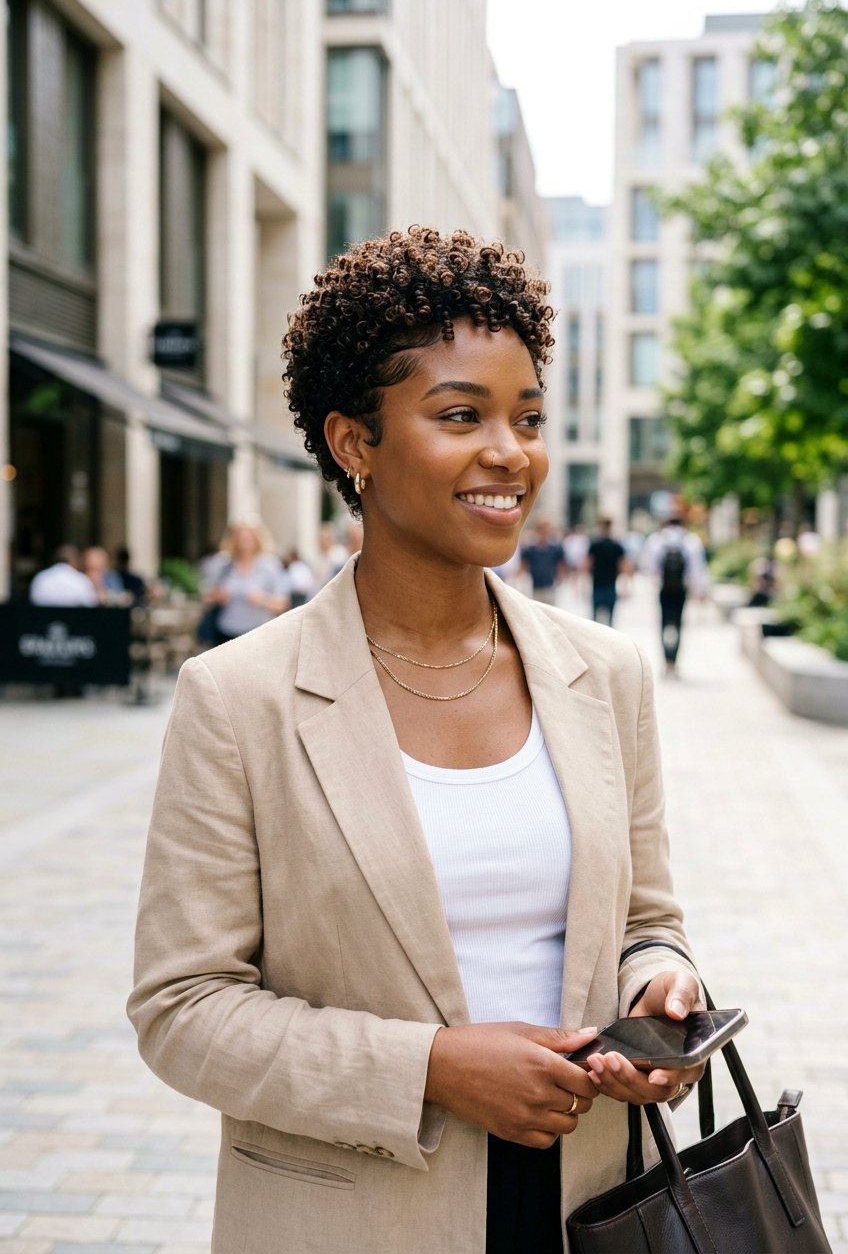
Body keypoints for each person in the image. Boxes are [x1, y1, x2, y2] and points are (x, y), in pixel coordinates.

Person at [129, 228, 703, 1254]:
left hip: (589, 1210)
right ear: (353, 443)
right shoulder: (237, 697)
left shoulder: (603, 674)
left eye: (526, 416)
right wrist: (431, 1066)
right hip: (352, 1218)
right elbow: (183, 1008)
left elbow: (645, 922)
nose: (509, 452)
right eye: (458, 415)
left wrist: (656, 994)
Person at [200, 519, 290, 644]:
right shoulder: (223, 564)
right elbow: (206, 594)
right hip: (226, 631)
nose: (244, 543)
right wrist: (219, 595)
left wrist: (261, 599)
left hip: (258, 632)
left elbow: (282, 603)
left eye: (248, 538)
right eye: (240, 538)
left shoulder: (269, 565)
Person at [641, 516, 709, 678]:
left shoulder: (657, 539)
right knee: (678, 623)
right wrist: (699, 591)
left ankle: (665, 662)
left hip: (664, 589)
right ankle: (674, 662)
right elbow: (697, 568)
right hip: (681, 589)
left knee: (664, 622)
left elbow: (648, 566)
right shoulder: (690, 541)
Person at [585, 518, 626, 626]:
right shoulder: (615, 545)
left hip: (600, 583)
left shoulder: (595, 544)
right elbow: (623, 566)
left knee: (595, 618)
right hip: (608, 583)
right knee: (610, 618)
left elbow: (587, 564)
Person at [29, 545, 98, 607]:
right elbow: (90, 604)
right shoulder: (81, 579)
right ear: (74, 560)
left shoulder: (41, 577)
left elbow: (34, 600)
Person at [520, 518, 567, 603]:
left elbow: (560, 564)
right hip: (535, 587)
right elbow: (524, 565)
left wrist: (561, 577)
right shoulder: (530, 549)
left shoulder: (555, 548)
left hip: (550, 586)